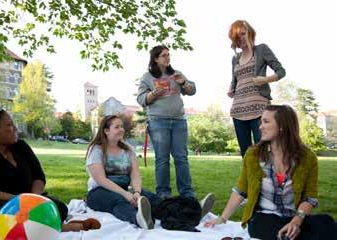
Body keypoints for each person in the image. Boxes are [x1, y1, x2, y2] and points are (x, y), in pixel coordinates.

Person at [0, 107, 100, 238]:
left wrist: (35, 200)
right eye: (10, 125)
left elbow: (38, 176)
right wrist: (22, 201)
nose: (16, 128)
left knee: (59, 207)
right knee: (12, 214)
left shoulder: (20, 147)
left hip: (24, 203)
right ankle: (61, 227)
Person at [204, 105, 337, 240]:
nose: (260, 127)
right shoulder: (253, 154)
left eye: (266, 122)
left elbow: (310, 197)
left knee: (326, 222)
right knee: (278, 230)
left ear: (282, 126)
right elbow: (241, 190)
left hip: (295, 218)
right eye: (261, 122)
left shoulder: (308, 157)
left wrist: (296, 222)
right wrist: (222, 218)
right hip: (263, 219)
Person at [85, 115, 215, 230]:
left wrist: (136, 192)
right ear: (106, 131)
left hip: (125, 188)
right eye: (117, 127)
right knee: (119, 202)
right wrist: (126, 195)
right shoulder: (96, 149)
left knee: (155, 200)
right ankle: (139, 219)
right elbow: (101, 180)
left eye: (122, 126)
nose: (121, 129)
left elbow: (135, 174)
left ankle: (193, 212)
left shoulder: (127, 149)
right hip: (99, 192)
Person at [136, 45, 197, 199]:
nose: (168, 57)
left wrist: (183, 82)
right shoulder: (147, 77)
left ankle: (187, 194)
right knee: (162, 159)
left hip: (179, 122)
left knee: (181, 158)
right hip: (158, 122)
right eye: (164, 55)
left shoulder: (176, 74)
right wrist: (153, 94)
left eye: (169, 55)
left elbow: (192, 90)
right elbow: (141, 99)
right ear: (156, 59)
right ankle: (163, 194)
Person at [227, 20, 286, 157]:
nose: (241, 38)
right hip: (238, 111)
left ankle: (267, 179)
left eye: (243, 34)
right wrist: (231, 89)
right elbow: (235, 81)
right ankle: (250, 179)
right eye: (237, 36)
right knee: (247, 156)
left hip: (260, 110)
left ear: (250, 33)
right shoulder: (235, 58)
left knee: (264, 153)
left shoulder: (261, 50)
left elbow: (281, 71)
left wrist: (265, 79)